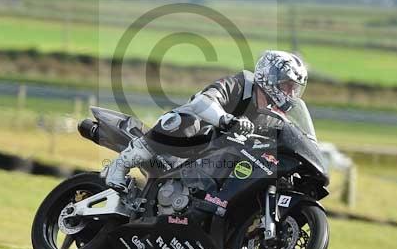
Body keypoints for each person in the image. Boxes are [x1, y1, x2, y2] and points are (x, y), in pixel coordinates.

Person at [101, 50, 309, 191]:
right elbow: (201, 102)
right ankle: (120, 165)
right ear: (270, 77)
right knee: (189, 122)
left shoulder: (275, 117)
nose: (290, 93)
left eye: (295, 88)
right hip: (187, 145)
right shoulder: (240, 85)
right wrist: (225, 119)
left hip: (221, 163)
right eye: (287, 85)